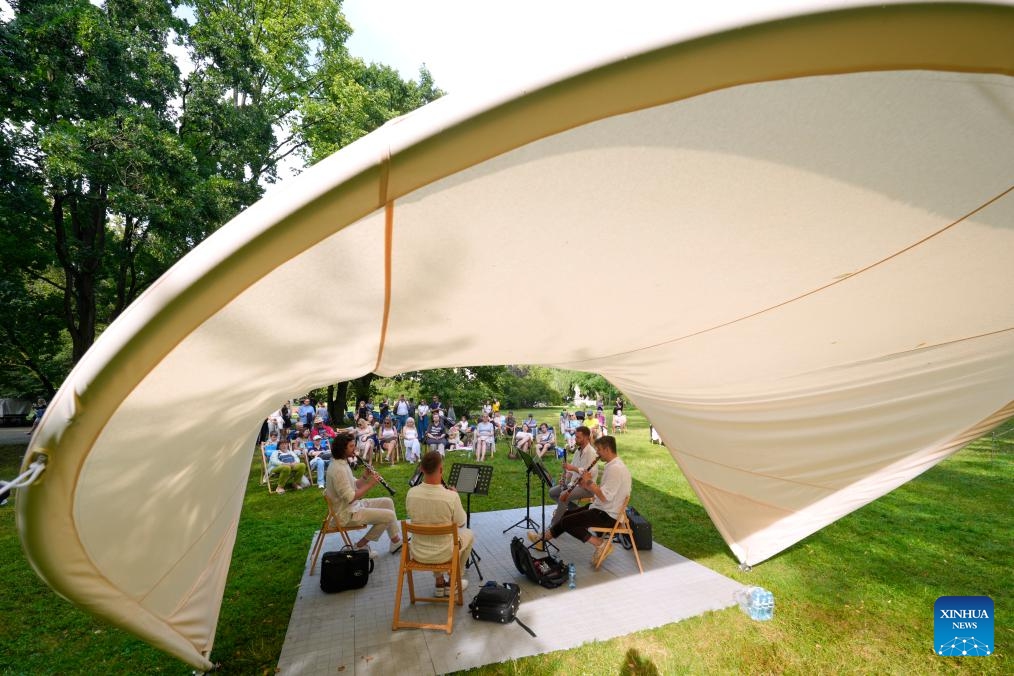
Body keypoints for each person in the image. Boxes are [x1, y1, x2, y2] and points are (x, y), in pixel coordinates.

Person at [529, 435, 630, 565]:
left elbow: (605, 497)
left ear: (607, 449)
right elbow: (605, 493)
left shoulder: (616, 469)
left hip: (608, 515)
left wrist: (589, 482)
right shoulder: (612, 465)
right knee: (565, 515)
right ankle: (542, 540)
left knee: (567, 522)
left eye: (599, 450)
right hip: (601, 508)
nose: (597, 453)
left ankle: (600, 544)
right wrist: (585, 484)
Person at [405, 451, 473, 597]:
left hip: (418, 552)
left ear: (421, 469)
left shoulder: (411, 493)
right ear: (441, 470)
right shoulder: (451, 496)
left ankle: (439, 582)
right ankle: (455, 580)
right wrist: (456, 496)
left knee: (434, 533)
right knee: (469, 534)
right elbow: (461, 524)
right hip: (444, 553)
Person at [326, 433, 402, 558]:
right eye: (351, 446)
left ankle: (395, 542)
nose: (354, 449)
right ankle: (360, 546)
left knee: (387, 502)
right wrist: (371, 484)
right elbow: (350, 497)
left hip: (352, 506)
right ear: (342, 449)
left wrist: (365, 476)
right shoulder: (338, 470)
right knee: (389, 516)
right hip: (346, 513)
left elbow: (354, 486)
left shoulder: (342, 463)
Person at [548, 426, 599, 527]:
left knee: (563, 495)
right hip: (574, 483)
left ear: (586, 437)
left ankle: (555, 525)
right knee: (552, 492)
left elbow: (588, 474)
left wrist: (573, 468)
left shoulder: (591, 453)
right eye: (575, 437)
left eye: (578, 437)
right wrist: (564, 479)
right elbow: (570, 471)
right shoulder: (578, 451)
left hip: (586, 487)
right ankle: (574, 512)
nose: (575, 439)